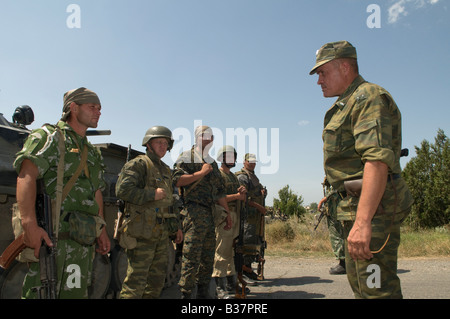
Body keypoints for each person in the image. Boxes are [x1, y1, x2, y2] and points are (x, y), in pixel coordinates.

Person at [310, 40, 413, 298]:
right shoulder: (349, 102)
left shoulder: (367, 97)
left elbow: (376, 161)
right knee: (364, 290)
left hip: (372, 212)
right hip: (355, 209)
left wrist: (363, 222)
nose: (319, 80)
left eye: (323, 72)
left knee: (377, 292)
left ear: (345, 67)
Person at [14, 87, 110, 299]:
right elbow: (26, 175)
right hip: (52, 241)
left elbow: (95, 192)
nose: (98, 112)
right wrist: (29, 223)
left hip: (82, 241)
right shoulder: (49, 137)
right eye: (92, 107)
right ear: (73, 108)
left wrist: (101, 228)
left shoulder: (92, 151)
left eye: (100, 108)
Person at [115, 126, 183, 299]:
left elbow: (171, 203)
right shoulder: (139, 164)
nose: (162, 146)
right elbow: (122, 190)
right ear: (149, 144)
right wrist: (152, 194)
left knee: (156, 282)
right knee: (135, 283)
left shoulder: (166, 170)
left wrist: (177, 228)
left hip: (161, 235)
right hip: (142, 233)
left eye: (165, 143)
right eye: (158, 142)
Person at [173, 125, 231, 299]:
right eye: (205, 136)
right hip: (192, 212)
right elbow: (177, 180)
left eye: (211, 137)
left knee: (207, 257)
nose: (209, 139)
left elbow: (220, 192)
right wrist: (201, 172)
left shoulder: (212, 162)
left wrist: (227, 214)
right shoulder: (187, 157)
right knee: (191, 256)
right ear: (197, 137)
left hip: (209, 213)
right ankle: (186, 294)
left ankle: (203, 293)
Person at [212, 145, 247, 299]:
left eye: (233, 156)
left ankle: (231, 283)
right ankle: (219, 288)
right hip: (223, 215)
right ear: (222, 158)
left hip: (234, 214)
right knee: (221, 251)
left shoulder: (233, 176)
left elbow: (238, 196)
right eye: (228, 157)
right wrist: (237, 196)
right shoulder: (217, 176)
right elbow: (217, 198)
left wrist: (242, 193)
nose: (232, 160)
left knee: (231, 251)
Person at [235, 153, 266, 281]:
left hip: (255, 218)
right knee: (246, 244)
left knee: (254, 244)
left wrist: (263, 193)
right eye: (250, 161)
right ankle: (244, 271)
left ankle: (249, 269)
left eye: (254, 162)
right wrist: (258, 207)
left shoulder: (253, 177)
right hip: (247, 216)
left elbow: (256, 192)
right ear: (244, 162)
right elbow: (244, 199)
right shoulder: (242, 177)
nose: (252, 164)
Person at [318, 178, 346, 275]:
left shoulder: (336, 171)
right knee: (339, 236)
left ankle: (343, 264)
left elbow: (337, 189)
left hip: (336, 211)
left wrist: (323, 200)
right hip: (334, 209)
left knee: (337, 236)